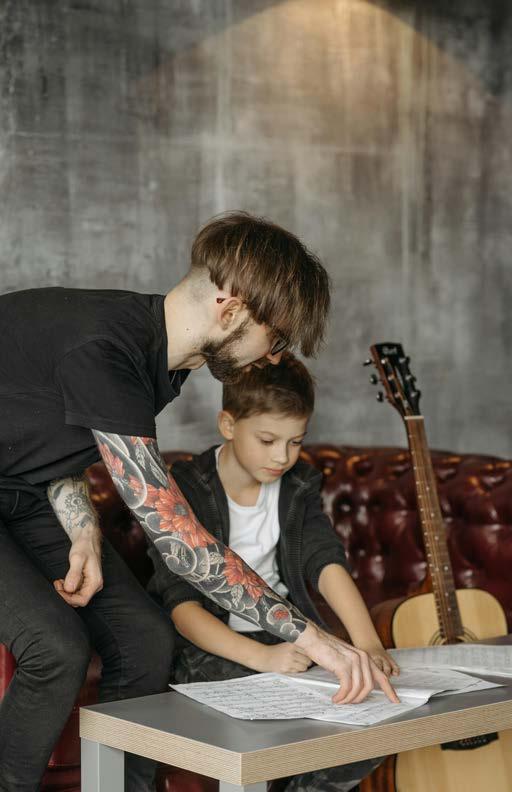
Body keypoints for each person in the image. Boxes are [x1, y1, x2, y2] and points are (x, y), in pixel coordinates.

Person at [0, 212, 397, 792]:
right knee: (56, 650)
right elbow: (182, 545)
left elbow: (46, 441)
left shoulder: (161, 360)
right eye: (276, 338)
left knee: (145, 640)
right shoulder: (107, 350)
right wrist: (315, 639)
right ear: (230, 309)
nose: (273, 358)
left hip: (19, 492)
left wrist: (82, 531)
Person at [147, 353, 400, 792]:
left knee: (375, 713)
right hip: (212, 650)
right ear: (228, 425)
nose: (282, 456)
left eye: (295, 441)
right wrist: (263, 659)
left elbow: (324, 562)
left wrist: (368, 644)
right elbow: (182, 609)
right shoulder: (185, 488)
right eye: (267, 440)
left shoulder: (299, 484)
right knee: (267, 721)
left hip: (291, 641)